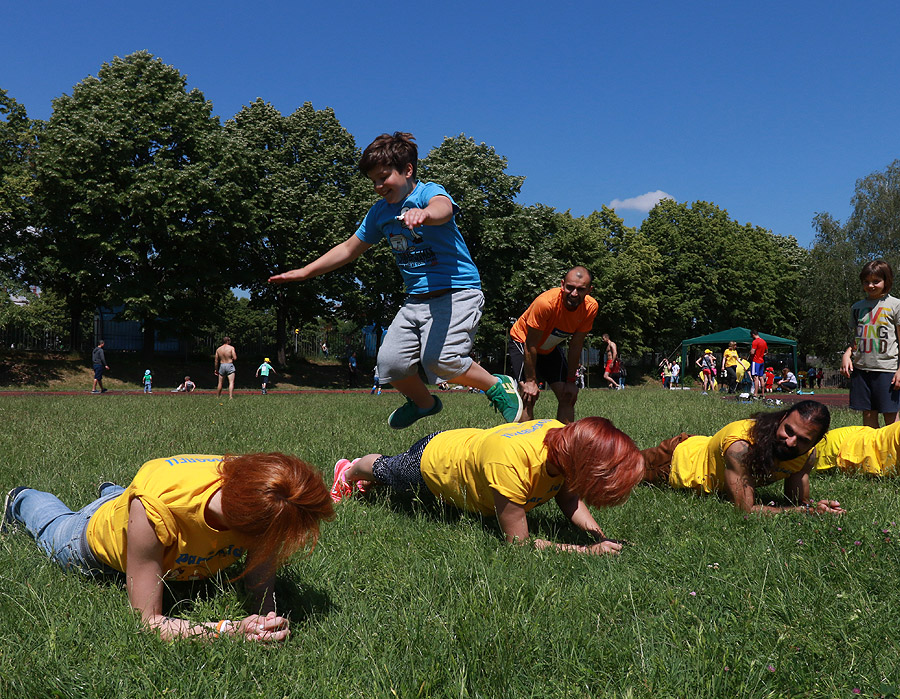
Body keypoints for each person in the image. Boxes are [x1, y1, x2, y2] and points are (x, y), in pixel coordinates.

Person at [268, 132, 521, 429]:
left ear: (408, 170)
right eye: (373, 180)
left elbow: (444, 209)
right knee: (390, 364)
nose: (378, 186)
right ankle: (424, 403)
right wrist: (305, 272)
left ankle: (496, 384)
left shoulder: (427, 193)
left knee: (439, 362)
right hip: (416, 301)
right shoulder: (379, 214)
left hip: (456, 293)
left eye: (384, 177)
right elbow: (349, 248)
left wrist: (424, 214)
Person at [4, 453, 335, 641]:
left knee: (129, 501)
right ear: (245, 524)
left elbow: (262, 566)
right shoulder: (155, 513)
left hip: (137, 507)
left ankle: (115, 493)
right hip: (90, 544)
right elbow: (149, 623)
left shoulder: (258, 487)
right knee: (52, 523)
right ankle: (23, 499)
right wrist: (230, 630)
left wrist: (266, 616)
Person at [330, 417, 644, 554]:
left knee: (388, 478)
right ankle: (348, 471)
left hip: (469, 447)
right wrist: (587, 551)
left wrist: (601, 536)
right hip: (436, 462)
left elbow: (568, 496)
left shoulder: (564, 439)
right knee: (388, 470)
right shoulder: (510, 465)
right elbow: (519, 545)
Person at [639, 400, 844, 515]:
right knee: (617, 464)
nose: (790, 442)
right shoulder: (741, 447)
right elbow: (744, 510)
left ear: (816, 442)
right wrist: (802, 512)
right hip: (673, 462)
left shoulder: (807, 456)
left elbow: (797, 502)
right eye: (788, 431)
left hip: (705, 448)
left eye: (803, 439)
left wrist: (819, 509)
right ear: (781, 418)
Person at [509, 266, 598, 423]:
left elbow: (576, 345)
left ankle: (564, 445)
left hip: (548, 348)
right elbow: (531, 345)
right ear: (562, 285)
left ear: (589, 290)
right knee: (528, 396)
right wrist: (530, 381)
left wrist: (571, 381)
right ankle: (525, 444)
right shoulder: (545, 304)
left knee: (568, 395)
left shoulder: (590, 308)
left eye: (580, 289)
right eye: (570, 288)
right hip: (524, 342)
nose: (574, 294)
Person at [841, 259, 900, 428]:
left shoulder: (897, 305)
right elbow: (858, 337)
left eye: (876, 281)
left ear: (886, 281)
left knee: (890, 417)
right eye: (866, 282)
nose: (870, 286)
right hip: (861, 369)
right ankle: (873, 453)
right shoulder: (857, 307)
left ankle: (893, 453)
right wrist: (847, 353)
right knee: (868, 414)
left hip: (886, 369)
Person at [749, 330, 768, 396]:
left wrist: (751, 355)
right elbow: (766, 351)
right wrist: (762, 354)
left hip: (756, 361)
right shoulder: (763, 341)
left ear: (753, 335)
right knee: (761, 377)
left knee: (755, 377)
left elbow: (752, 352)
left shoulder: (755, 341)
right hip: (761, 361)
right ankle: (762, 393)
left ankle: (755, 393)